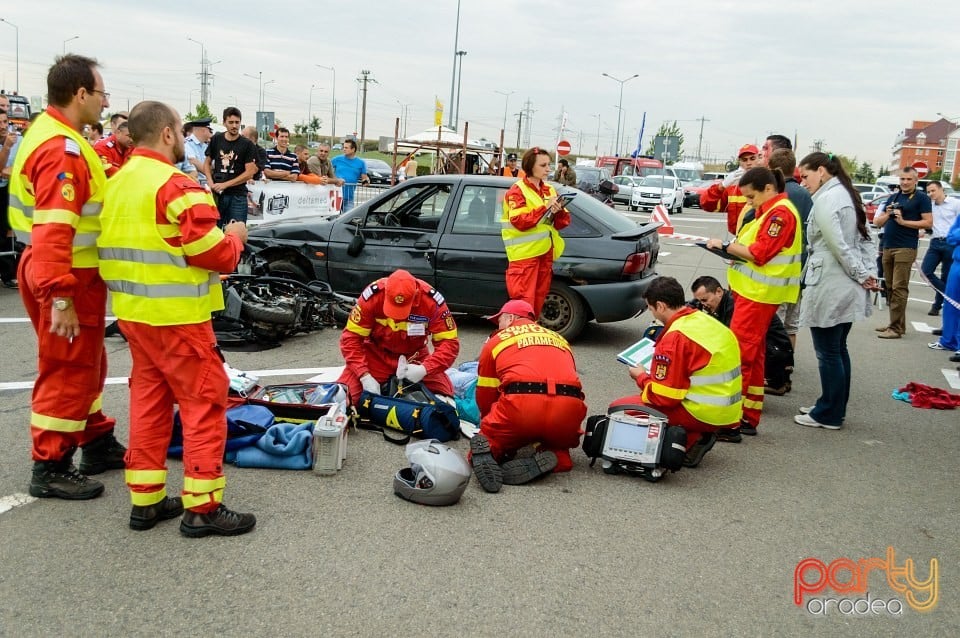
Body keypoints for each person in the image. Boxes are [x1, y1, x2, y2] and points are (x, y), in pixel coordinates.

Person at [98, 100, 255, 536]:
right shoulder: (176, 185)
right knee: (205, 400)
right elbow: (214, 254)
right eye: (182, 132)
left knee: (149, 402)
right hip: (179, 318)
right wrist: (235, 235)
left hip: (134, 317)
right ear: (168, 134)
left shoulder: (116, 182)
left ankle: (145, 501)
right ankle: (202, 508)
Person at [7, 54, 124, 500]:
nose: (103, 101)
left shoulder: (53, 134)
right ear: (81, 94)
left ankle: (95, 440)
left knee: (88, 365)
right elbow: (55, 227)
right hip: (64, 273)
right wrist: (60, 296)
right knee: (67, 369)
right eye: (100, 93)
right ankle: (51, 464)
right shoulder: (62, 149)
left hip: (63, 270)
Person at [705, 166, 801, 436]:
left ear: (768, 189)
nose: (748, 202)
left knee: (741, 357)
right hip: (754, 293)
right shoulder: (770, 210)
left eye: (750, 197)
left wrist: (724, 247)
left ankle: (731, 421)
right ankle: (748, 415)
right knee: (754, 355)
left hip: (758, 295)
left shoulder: (779, 213)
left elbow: (760, 253)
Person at [611, 277, 742, 467]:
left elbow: (665, 397)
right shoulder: (703, 320)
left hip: (701, 411)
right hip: (727, 410)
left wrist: (641, 376)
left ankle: (685, 441)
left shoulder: (675, 338)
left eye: (651, 307)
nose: (651, 313)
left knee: (620, 408)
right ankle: (695, 435)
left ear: (661, 306)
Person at [795, 152, 879, 429]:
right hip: (844, 280)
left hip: (832, 278)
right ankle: (831, 406)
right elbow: (867, 240)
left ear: (821, 170)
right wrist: (866, 273)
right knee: (837, 348)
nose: (803, 182)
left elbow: (837, 245)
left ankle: (828, 413)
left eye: (805, 176)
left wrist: (861, 274)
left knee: (828, 351)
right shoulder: (846, 194)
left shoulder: (828, 199)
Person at [469, 299, 586, 493]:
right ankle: (557, 458)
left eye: (499, 321)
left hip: (522, 407)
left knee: (489, 441)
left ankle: (490, 453)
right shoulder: (560, 339)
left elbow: (486, 393)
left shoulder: (497, 340)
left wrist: (489, 424)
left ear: (511, 318)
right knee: (557, 445)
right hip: (568, 410)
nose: (498, 326)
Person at [337, 269, 459, 404]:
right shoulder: (372, 297)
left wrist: (425, 369)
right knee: (340, 397)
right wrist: (364, 375)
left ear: (415, 295)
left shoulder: (432, 303)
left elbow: (449, 344)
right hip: (375, 356)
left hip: (415, 358)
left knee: (445, 402)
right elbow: (351, 339)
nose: (396, 317)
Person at [690, 275, 794, 399]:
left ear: (718, 292)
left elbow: (727, 341)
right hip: (771, 348)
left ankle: (775, 383)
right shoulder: (720, 301)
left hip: (774, 351)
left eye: (705, 300)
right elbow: (691, 306)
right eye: (700, 301)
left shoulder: (734, 307)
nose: (703, 305)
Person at [501, 147, 571, 316]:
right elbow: (519, 221)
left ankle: (530, 332)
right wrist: (544, 208)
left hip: (544, 253)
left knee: (539, 299)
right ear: (530, 166)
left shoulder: (549, 189)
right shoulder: (517, 191)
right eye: (543, 165)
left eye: (549, 164)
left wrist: (558, 210)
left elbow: (564, 222)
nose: (548, 169)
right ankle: (521, 337)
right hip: (524, 257)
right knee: (522, 303)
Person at [872, 167, 932, 338]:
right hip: (888, 245)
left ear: (915, 181)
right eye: (902, 179)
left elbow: (928, 223)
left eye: (908, 179)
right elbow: (878, 222)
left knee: (899, 287)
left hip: (905, 247)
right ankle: (895, 324)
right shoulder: (894, 196)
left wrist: (904, 221)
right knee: (889, 286)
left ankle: (896, 329)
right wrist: (889, 214)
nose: (905, 182)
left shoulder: (922, 198)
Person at [768, 148, 813, 350]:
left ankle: (774, 367)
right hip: (800, 266)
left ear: (771, 168)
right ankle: (788, 364)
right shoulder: (806, 195)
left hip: (776, 269)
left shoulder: (774, 193)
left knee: (774, 323)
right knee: (791, 325)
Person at [203, 107, 258, 226]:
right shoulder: (216, 139)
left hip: (238, 196)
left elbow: (249, 173)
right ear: (224, 123)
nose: (234, 126)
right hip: (218, 195)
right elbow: (206, 163)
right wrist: (210, 182)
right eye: (231, 122)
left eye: (237, 122)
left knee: (237, 233)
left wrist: (225, 184)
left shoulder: (247, 144)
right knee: (215, 232)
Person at [701, 143, 761, 235]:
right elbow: (706, 204)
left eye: (752, 158)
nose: (748, 163)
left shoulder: (766, 183)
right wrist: (722, 185)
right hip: (739, 237)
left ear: (759, 159)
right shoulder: (733, 188)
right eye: (744, 160)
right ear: (740, 163)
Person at [922, 180, 960, 320]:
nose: (931, 194)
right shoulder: (929, 206)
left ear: (941, 189)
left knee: (946, 276)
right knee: (926, 272)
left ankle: (936, 306)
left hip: (950, 244)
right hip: (935, 242)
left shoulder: (955, 203)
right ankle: (948, 295)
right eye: (929, 191)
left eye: (933, 190)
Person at [0, 108, 21, 287]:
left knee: (9, 228)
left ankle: (8, 274)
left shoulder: (18, 140)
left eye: (5, 122)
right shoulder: (9, 143)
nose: (3, 126)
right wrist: (6, 147)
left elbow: (18, 168)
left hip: (7, 189)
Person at [330, 138, 369, 211]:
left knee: (347, 219)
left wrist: (366, 182)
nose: (344, 149)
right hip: (336, 195)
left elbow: (364, 177)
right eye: (343, 147)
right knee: (333, 219)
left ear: (353, 149)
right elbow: (326, 168)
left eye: (346, 148)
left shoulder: (361, 163)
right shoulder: (337, 159)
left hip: (349, 197)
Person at [183, 117, 213, 187]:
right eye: (210, 130)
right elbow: (193, 161)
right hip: (193, 185)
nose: (211, 133)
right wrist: (211, 173)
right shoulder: (187, 144)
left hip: (206, 185)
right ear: (203, 130)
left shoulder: (205, 146)